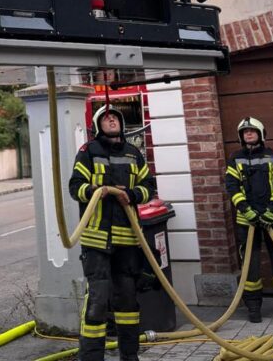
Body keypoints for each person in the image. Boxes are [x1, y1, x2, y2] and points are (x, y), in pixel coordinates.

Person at [68, 105, 156, 361]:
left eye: (115, 117)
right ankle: (91, 357)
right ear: (99, 126)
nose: (111, 120)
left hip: (128, 240)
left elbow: (148, 187)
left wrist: (131, 194)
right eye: (106, 118)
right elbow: (76, 188)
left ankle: (130, 356)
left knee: (128, 301)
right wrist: (99, 189)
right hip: (97, 240)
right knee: (97, 302)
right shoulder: (88, 152)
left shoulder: (133, 154)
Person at [224, 117, 273, 323]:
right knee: (251, 265)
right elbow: (231, 186)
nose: (248, 134)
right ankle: (254, 308)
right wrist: (245, 209)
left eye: (252, 131)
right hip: (246, 221)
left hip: (272, 219)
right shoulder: (235, 159)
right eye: (245, 132)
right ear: (241, 136)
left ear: (260, 133)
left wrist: (272, 209)